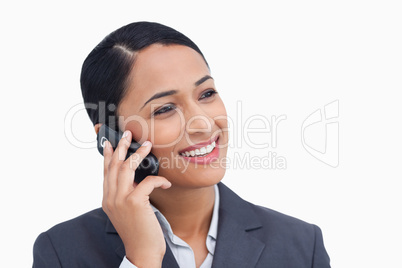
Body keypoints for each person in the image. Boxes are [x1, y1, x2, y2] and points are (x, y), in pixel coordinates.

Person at [33, 21, 331, 268]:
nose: (202, 123)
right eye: (164, 109)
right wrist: (142, 260)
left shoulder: (303, 246)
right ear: (110, 137)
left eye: (206, 94)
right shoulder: (62, 252)